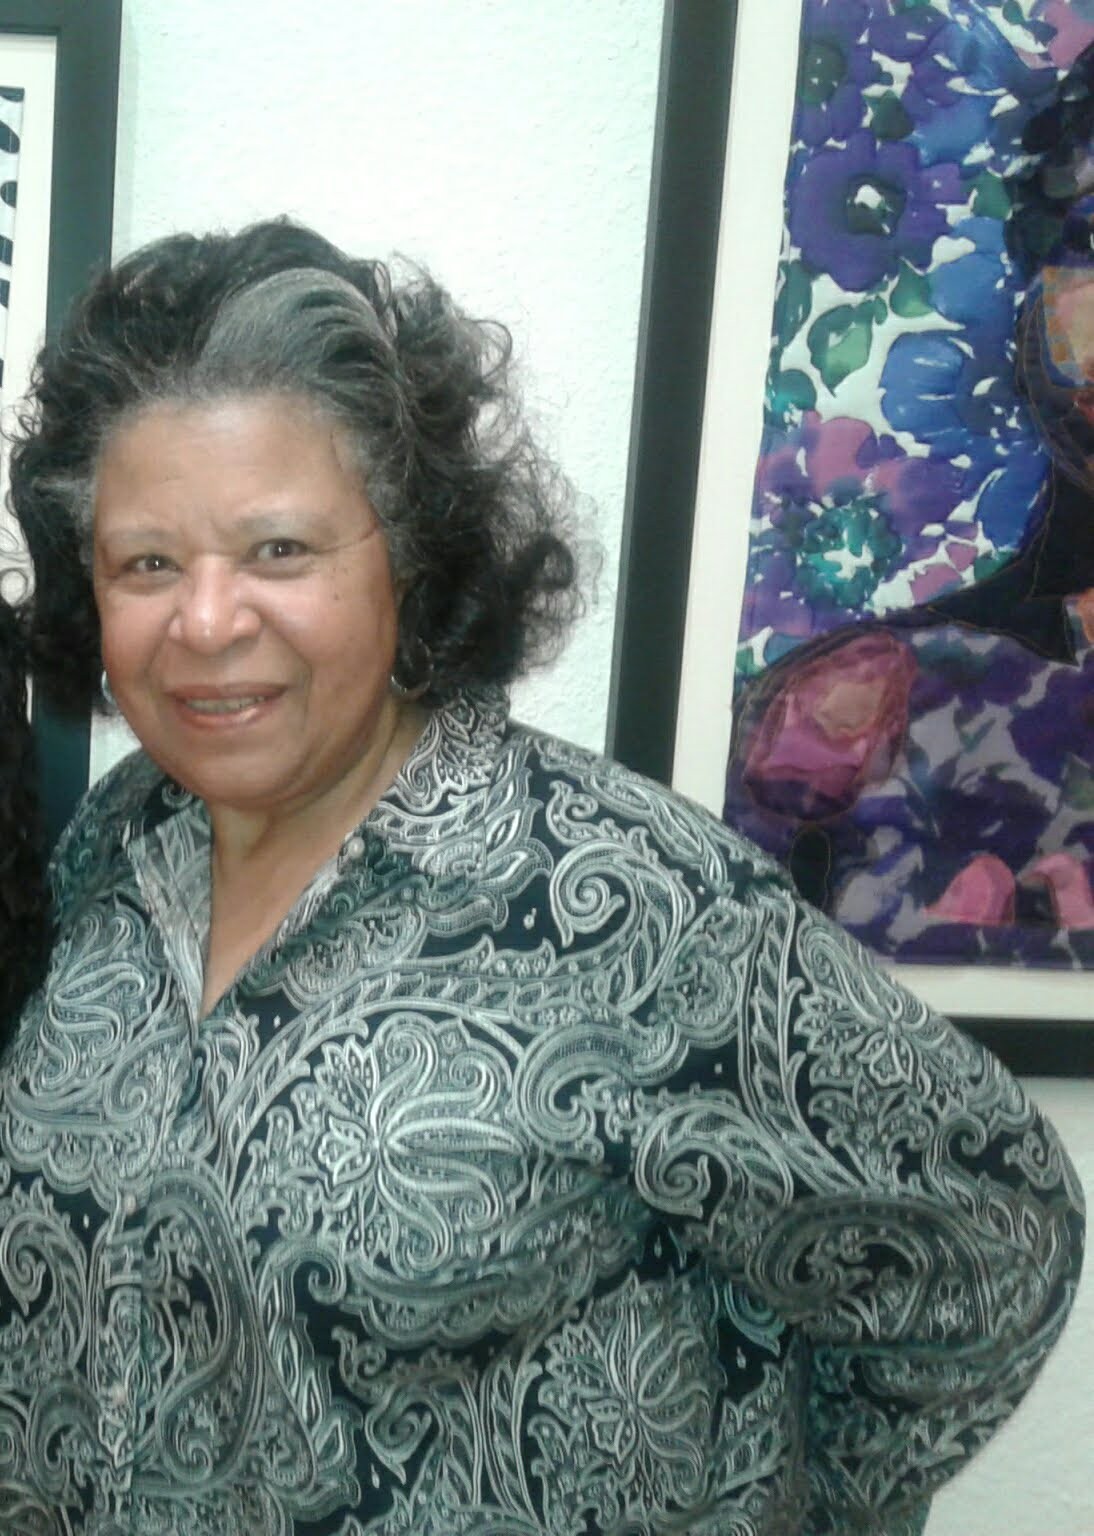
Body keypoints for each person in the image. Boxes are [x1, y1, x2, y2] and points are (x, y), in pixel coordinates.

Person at [0, 218, 1082, 1536]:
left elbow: (990, 1243)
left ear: (409, 559)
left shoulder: (641, 907)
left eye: (279, 550)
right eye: (147, 563)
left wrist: (791, 1502)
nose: (208, 619)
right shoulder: (112, 849)